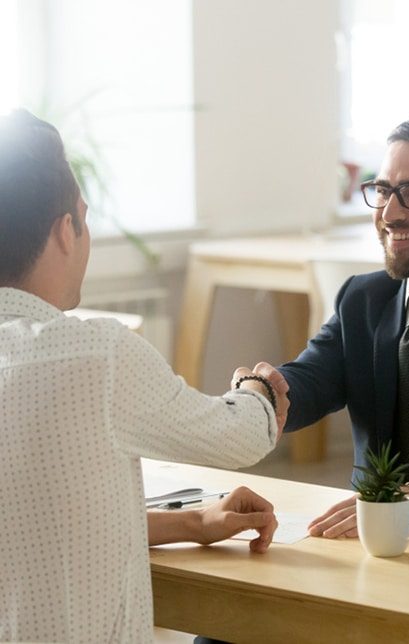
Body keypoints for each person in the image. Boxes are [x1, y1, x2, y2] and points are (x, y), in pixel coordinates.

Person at [0, 109, 288, 643]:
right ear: (68, 229)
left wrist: (192, 522)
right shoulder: (94, 353)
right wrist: (258, 389)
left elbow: (31, 523)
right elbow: (245, 434)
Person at [253, 112, 409, 538]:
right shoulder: (363, 299)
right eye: (383, 190)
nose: (389, 213)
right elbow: (311, 379)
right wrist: (260, 393)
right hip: (365, 544)